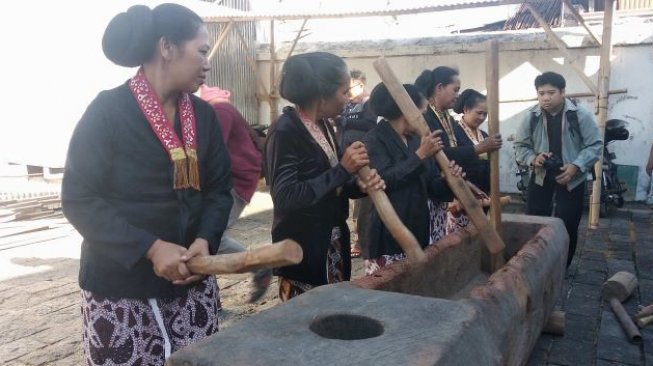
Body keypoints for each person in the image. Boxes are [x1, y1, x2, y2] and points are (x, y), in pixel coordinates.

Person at [61, 5, 232, 365]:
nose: (207, 63)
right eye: (201, 51)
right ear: (167, 47)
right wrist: (151, 249)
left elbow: (218, 189)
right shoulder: (107, 112)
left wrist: (205, 240)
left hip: (191, 283)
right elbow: (79, 199)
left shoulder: (203, 116)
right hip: (121, 290)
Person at [265, 52, 384, 301]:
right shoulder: (286, 129)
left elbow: (333, 183)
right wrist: (343, 169)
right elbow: (286, 197)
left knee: (335, 311)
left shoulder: (326, 125)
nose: (348, 98)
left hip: (332, 239)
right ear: (322, 95)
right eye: (343, 91)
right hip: (304, 247)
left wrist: (358, 185)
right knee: (308, 323)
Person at [363, 83, 461, 275]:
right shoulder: (374, 139)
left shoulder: (417, 140)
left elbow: (431, 184)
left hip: (418, 227)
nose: (423, 119)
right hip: (388, 235)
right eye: (421, 113)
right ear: (405, 111)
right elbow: (384, 181)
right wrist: (419, 156)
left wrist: (449, 181)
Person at [514, 71, 602, 267]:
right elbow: (520, 146)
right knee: (534, 222)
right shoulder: (531, 116)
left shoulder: (579, 115)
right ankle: (534, 264)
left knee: (567, 224)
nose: (545, 98)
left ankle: (563, 266)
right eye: (541, 93)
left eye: (551, 92)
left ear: (562, 92)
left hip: (572, 178)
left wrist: (576, 167)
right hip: (540, 176)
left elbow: (595, 145)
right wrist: (533, 158)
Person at [199, 85, 271, 303]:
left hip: (235, 180)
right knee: (206, 237)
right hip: (234, 177)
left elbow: (209, 151)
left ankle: (259, 266)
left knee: (211, 238)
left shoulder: (219, 110)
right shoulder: (220, 107)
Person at [414, 66, 479, 242]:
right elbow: (440, 153)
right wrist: (478, 149)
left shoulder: (447, 117)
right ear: (439, 88)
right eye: (455, 90)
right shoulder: (425, 116)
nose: (458, 95)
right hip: (429, 187)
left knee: (438, 240)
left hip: (443, 188)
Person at [447, 89, 503, 233]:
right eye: (479, 113)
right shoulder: (453, 132)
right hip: (462, 194)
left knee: (479, 234)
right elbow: (451, 159)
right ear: (466, 109)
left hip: (483, 194)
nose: (482, 117)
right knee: (460, 235)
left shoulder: (484, 135)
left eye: (485, 114)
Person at [335, 69, 377, 259]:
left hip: (361, 157)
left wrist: (346, 122)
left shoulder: (368, 103)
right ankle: (356, 239)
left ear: (360, 84)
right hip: (344, 157)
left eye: (349, 88)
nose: (347, 92)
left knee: (361, 204)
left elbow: (370, 124)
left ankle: (361, 242)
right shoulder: (346, 104)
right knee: (350, 202)